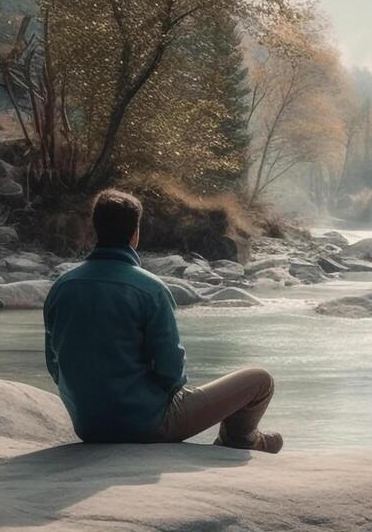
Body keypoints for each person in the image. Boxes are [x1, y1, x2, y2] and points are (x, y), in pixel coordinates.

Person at [43, 189, 284, 452]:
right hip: (146, 425)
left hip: (88, 426)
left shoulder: (61, 287)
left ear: (94, 229)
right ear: (135, 234)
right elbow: (171, 372)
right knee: (260, 381)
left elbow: (54, 364)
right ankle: (241, 439)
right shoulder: (150, 289)